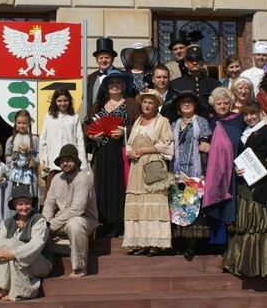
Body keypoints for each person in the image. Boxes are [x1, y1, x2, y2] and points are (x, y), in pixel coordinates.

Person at [221, 101, 267, 278]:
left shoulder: (266, 130)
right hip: (244, 184)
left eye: (252, 114)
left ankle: (262, 265)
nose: (249, 118)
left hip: (260, 182)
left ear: (260, 112)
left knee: (258, 225)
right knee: (243, 225)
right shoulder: (243, 132)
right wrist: (237, 169)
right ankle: (240, 263)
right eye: (246, 115)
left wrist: (255, 166)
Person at [85, 70, 139, 237]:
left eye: (118, 83)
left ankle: (118, 224)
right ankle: (103, 222)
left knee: (118, 187)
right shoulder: (99, 104)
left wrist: (124, 131)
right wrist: (93, 136)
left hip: (120, 152)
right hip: (101, 152)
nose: (114, 86)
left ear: (123, 86)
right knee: (101, 187)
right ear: (106, 87)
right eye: (111, 83)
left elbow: (139, 125)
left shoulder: (131, 103)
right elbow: (87, 125)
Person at [122, 89, 174, 255]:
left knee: (154, 201)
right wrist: (130, 151)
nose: (147, 105)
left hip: (153, 165)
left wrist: (145, 149)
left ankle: (155, 243)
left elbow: (167, 146)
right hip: (137, 167)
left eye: (150, 102)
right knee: (138, 203)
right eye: (144, 102)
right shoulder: (138, 121)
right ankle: (141, 241)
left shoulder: (162, 121)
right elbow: (129, 143)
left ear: (156, 105)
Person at [0, 185, 52, 300]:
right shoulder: (8, 222)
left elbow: (37, 244)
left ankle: (15, 290)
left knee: (12, 245)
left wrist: (14, 254)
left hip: (40, 263)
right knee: (2, 247)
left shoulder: (39, 219)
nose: (24, 207)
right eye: (20, 204)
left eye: (27, 203)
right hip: (17, 261)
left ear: (31, 204)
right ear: (14, 206)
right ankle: (1, 287)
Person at [42, 144, 100, 278]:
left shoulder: (83, 178)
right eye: (62, 161)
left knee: (74, 224)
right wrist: (45, 222)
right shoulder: (56, 178)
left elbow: (77, 210)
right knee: (38, 224)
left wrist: (51, 226)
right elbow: (49, 203)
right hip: (61, 221)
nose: (65, 163)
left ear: (76, 161)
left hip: (85, 220)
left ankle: (80, 267)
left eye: (68, 160)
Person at [169, 91, 211, 260]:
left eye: (190, 102)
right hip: (177, 172)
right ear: (179, 107)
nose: (187, 104)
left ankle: (192, 246)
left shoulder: (201, 122)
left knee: (192, 209)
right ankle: (180, 243)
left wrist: (204, 173)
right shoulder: (174, 124)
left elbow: (205, 149)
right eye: (183, 102)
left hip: (195, 171)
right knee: (178, 209)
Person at [202, 86, 246, 249]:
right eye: (219, 103)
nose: (222, 106)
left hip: (235, 171)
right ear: (213, 105)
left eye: (225, 103)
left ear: (231, 104)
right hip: (214, 171)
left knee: (231, 205)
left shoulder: (239, 120)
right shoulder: (209, 122)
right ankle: (217, 243)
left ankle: (233, 244)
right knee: (216, 203)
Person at [38, 87, 88, 196]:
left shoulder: (74, 117)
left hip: (71, 165)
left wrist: (83, 165)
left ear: (70, 101)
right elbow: (43, 141)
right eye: (59, 101)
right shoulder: (49, 117)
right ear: (54, 102)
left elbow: (79, 142)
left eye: (65, 100)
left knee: (70, 197)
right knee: (52, 198)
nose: (62, 103)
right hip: (53, 166)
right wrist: (44, 161)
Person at [3, 110, 40, 210]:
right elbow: (7, 156)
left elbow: (39, 156)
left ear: (29, 123)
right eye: (19, 123)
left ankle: (30, 220)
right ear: (15, 123)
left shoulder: (35, 139)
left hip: (29, 174)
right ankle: (11, 219)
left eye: (24, 123)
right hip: (15, 174)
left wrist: (33, 162)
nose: (21, 125)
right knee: (13, 196)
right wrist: (13, 159)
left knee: (29, 195)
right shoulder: (11, 139)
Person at [169, 44, 221, 115]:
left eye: (198, 60)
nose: (194, 62)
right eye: (191, 60)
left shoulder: (215, 84)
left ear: (202, 63)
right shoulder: (175, 85)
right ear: (186, 64)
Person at [86, 36, 120, 110]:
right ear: (96, 60)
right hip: (94, 119)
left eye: (107, 57)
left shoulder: (121, 75)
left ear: (113, 59)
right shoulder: (91, 77)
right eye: (101, 58)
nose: (103, 60)